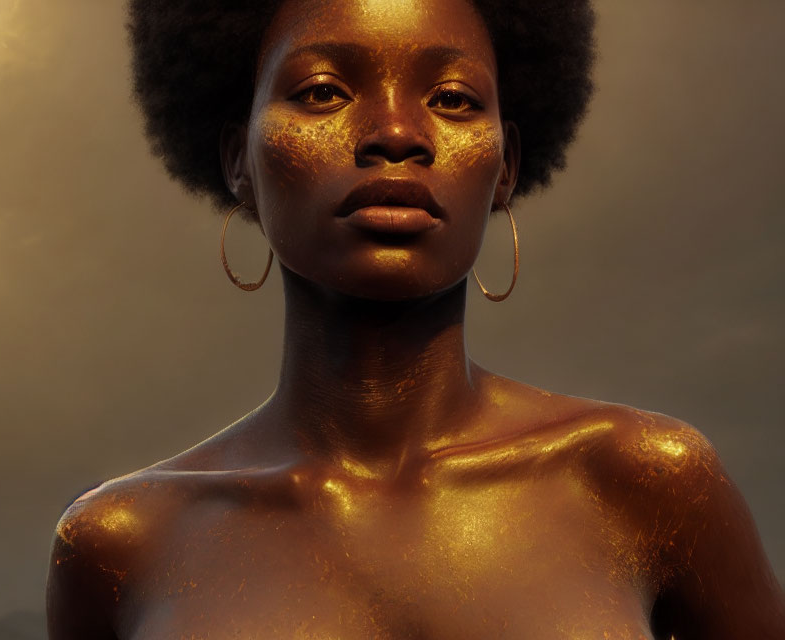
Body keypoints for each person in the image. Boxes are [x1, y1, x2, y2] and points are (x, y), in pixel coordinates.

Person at [46, 0, 785, 637]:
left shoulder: (648, 482)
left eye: (456, 99)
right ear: (238, 157)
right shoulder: (120, 546)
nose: (396, 133)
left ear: (506, 168)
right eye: (324, 91)